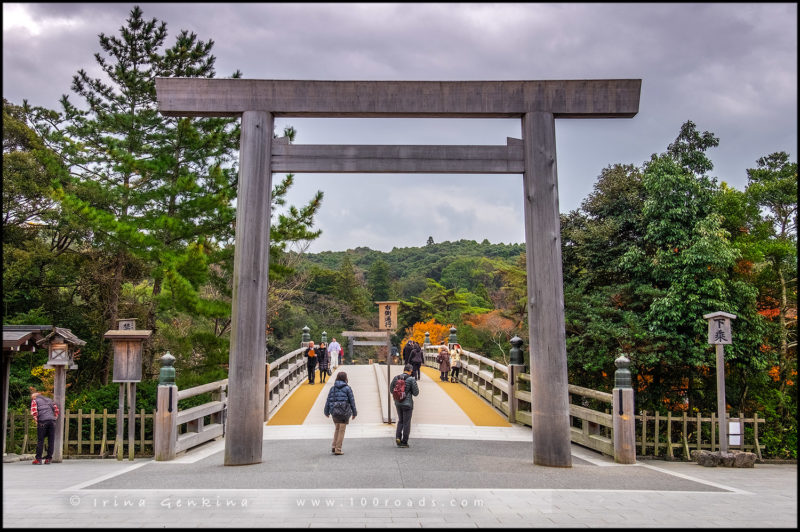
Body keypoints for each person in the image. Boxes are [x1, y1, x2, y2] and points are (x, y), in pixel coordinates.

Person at [323, 371, 357, 455]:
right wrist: (354, 413)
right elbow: (352, 401)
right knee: (341, 430)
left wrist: (326, 411)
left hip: (334, 412)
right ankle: (338, 449)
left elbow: (328, 400)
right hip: (344, 412)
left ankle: (334, 446)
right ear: (345, 378)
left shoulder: (332, 388)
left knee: (337, 428)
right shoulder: (347, 388)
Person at [391, 364, 419, 447]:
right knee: (406, 422)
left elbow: (391, 389)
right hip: (407, 404)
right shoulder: (411, 379)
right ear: (410, 371)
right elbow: (416, 393)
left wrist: (399, 396)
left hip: (398, 403)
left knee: (401, 421)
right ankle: (404, 442)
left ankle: (398, 437)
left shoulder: (396, 378)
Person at [30, 391, 59, 464]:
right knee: (51, 441)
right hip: (52, 422)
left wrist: (37, 421)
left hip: (42, 421)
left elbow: (34, 412)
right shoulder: (50, 400)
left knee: (40, 440)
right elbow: (56, 410)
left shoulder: (35, 400)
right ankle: (48, 459)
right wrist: (54, 418)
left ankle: (38, 459)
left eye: (32, 397)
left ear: (34, 397)